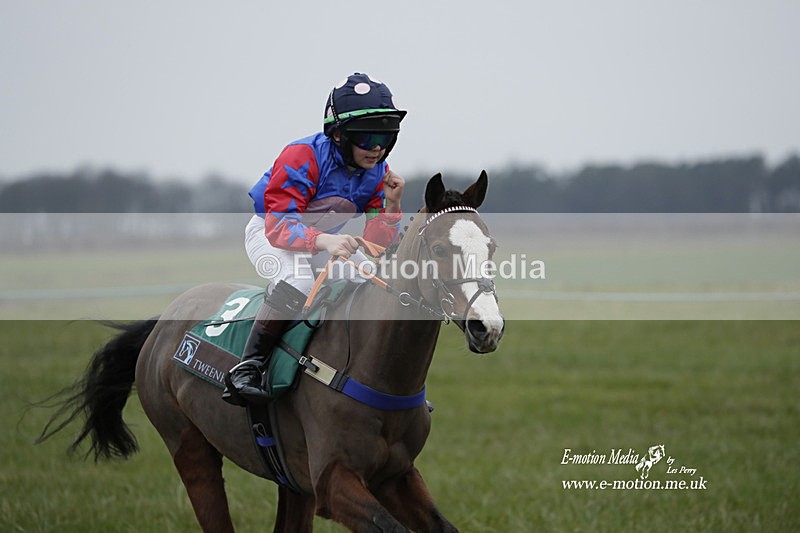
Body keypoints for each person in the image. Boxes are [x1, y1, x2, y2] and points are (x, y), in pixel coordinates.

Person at [222, 73, 407, 406]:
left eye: (385, 135)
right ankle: (246, 369)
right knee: (299, 280)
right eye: (367, 137)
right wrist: (325, 242)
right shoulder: (301, 156)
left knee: (372, 277)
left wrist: (391, 206)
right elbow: (278, 227)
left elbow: (377, 246)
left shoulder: (380, 173)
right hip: (269, 233)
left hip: (321, 242)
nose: (377, 146)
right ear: (339, 134)